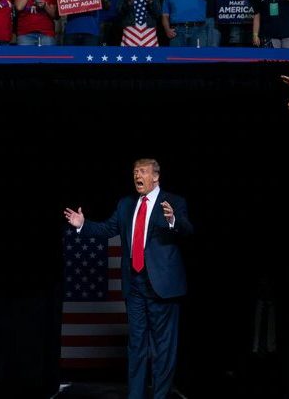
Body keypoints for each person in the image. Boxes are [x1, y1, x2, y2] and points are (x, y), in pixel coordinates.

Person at [63, 159, 193, 399]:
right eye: (134, 172)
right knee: (136, 346)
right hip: (134, 286)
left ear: (155, 176)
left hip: (163, 288)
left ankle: (161, 396)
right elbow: (106, 230)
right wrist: (83, 225)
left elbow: (187, 230)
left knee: (163, 348)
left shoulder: (173, 201)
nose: (137, 176)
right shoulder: (125, 205)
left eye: (142, 171)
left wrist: (173, 220)